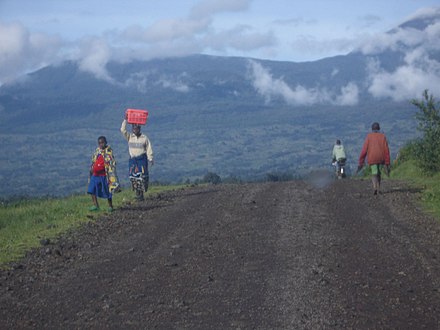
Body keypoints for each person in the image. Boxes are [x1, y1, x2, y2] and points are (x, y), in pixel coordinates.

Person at [120, 116, 154, 201]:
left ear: (139, 128)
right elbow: (122, 130)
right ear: (132, 129)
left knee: (142, 177)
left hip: (142, 159)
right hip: (133, 160)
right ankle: (137, 193)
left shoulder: (144, 138)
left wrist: (150, 158)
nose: (135, 130)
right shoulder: (129, 137)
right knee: (134, 177)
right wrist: (126, 120)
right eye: (134, 128)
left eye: (137, 128)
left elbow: (148, 148)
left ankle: (141, 194)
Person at [87, 136, 120, 211]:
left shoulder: (108, 151)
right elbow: (94, 160)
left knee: (107, 190)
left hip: (105, 175)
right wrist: (92, 169)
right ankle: (96, 205)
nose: (101, 144)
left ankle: (110, 206)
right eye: (99, 143)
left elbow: (111, 163)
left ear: (105, 142)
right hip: (95, 174)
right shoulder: (97, 151)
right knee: (92, 189)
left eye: (102, 142)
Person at [357, 122, 391, 195]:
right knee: (378, 172)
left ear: (372, 129)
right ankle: (378, 188)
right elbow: (386, 150)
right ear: (379, 128)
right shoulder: (383, 136)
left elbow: (364, 150)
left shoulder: (369, 137)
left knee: (374, 172)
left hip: (372, 157)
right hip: (381, 157)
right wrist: (387, 162)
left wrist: (361, 161)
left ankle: (375, 187)